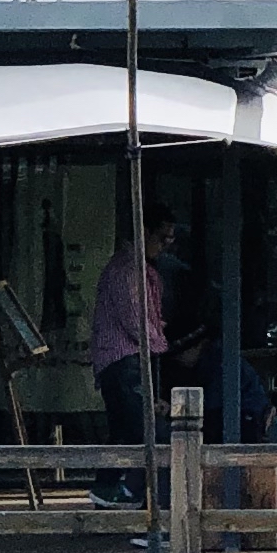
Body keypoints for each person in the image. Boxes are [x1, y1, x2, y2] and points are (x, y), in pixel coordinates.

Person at [89, 212, 176, 500]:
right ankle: (148, 500)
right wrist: (161, 343)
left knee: (124, 431)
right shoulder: (128, 269)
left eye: (170, 239)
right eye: (162, 237)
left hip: (124, 360)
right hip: (123, 360)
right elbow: (135, 319)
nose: (166, 245)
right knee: (153, 433)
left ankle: (106, 489)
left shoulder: (140, 269)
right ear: (144, 232)